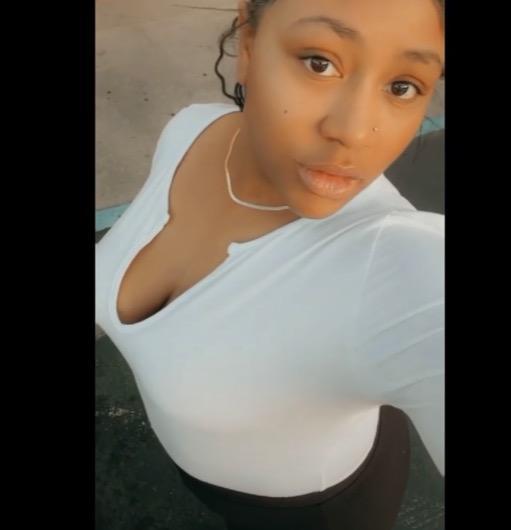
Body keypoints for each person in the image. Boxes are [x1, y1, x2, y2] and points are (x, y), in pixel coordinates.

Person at [95, 1, 445, 528]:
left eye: (402, 86)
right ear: (250, 44)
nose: (354, 131)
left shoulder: (404, 264)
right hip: (207, 478)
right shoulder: (192, 130)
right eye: (319, 62)